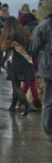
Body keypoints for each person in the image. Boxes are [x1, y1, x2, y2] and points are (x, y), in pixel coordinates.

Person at [0, 16, 36, 116]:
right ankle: (13, 105)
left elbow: (7, 49)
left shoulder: (12, 34)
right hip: (26, 60)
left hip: (16, 61)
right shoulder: (24, 32)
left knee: (16, 86)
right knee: (16, 84)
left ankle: (27, 105)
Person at [30, 12, 52, 140]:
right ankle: (49, 130)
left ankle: (49, 130)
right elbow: (34, 47)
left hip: (47, 66)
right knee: (49, 99)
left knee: (49, 99)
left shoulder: (43, 26)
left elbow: (34, 48)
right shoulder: (44, 26)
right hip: (49, 68)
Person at [18, 12, 42, 109]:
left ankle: (36, 101)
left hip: (28, 57)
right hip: (38, 57)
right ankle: (22, 99)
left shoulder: (25, 29)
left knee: (31, 80)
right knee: (29, 79)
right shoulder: (40, 27)